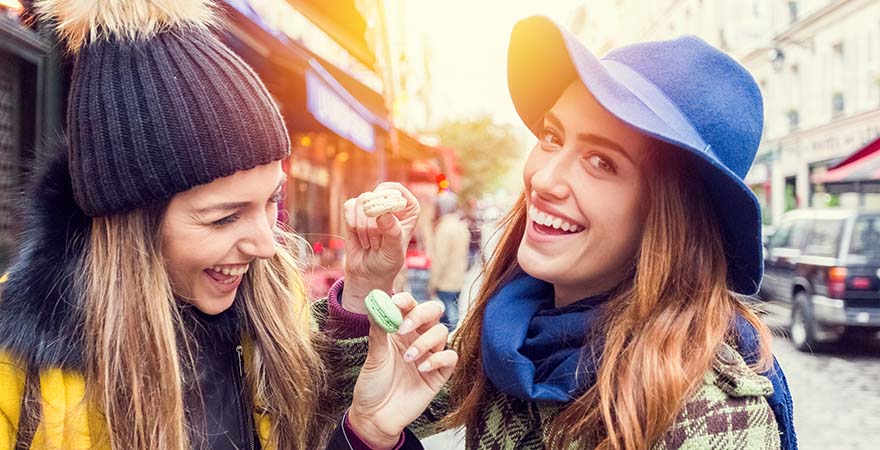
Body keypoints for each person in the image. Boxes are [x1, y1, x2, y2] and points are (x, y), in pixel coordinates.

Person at [0, 1, 454, 449]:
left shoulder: (277, 309)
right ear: (131, 221)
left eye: (272, 199)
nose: (265, 245)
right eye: (225, 217)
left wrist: (367, 432)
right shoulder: (16, 365)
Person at [330, 16, 797, 449]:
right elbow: (329, 406)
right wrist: (367, 288)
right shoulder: (512, 332)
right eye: (552, 137)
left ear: (669, 219)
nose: (544, 178)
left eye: (601, 162)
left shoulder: (712, 417)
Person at [428, 192, 471, 329]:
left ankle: (452, 339)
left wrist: (432, 284)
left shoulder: (444, 228)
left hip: (445, 282)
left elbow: (440, 259)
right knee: (454, 312)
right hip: (458, 280)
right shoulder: (461, 226)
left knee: (450, 319)